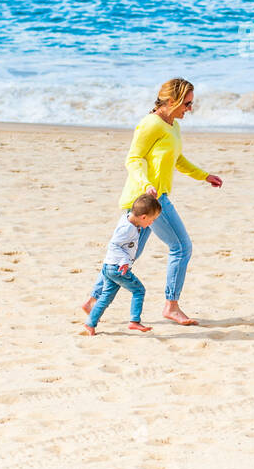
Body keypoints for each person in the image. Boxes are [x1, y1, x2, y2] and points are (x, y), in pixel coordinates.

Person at [82, 78, 223, 326]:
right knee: (181, 247)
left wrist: (204, 175)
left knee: (128, 253)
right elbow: (133, 159)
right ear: (171, 101)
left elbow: (177, 160)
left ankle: (93, 300)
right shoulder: (150, 125)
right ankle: (171, 305)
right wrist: (147, 184)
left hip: (153, 197)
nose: (189, 109)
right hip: (148, 199)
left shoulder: (173, 126)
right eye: (186, 103)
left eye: (191, 104)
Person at [82, 193, 161, 336]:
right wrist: (124, 260)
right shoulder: (128, 229)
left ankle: (90, 323)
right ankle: (134, 321)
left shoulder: (128, 219)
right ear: (143, 217)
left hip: (109, 267)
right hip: (117, 268)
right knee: (139, 291)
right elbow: (114, 245)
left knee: (106, 296)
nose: (151, 223)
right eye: (152, 220)